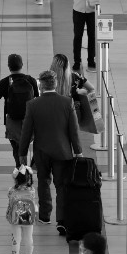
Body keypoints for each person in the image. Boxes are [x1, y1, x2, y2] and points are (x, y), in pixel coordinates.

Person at [19, 70, 83, 234]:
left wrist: (22, 153)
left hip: (41, 151)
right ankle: (61, 221)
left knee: (43, 182)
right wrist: (78, 151)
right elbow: (73, 131)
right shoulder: (67, 102)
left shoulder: (32, 104)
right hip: (63, 152)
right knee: (61, 186)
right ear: (55, 84)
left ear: (40, 85)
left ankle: (45, 216)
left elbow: (26, 132)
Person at [0, 54, 39, 168]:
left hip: (12, 120)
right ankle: (29, 169)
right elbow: (38, 97)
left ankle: (21, 170)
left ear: (9, 67)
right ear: (22, 65)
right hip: (29, 120)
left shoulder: (5, 82)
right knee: (27, 144)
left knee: (17, 148)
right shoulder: (31, 80)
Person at [7, 165, 37, 254]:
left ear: (16, 179)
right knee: (29, 238)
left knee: (16, 238)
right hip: (28, 217)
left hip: (15, 218)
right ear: (29, 179)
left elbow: (9, 198)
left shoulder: (11, 190)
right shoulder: (32, 190)